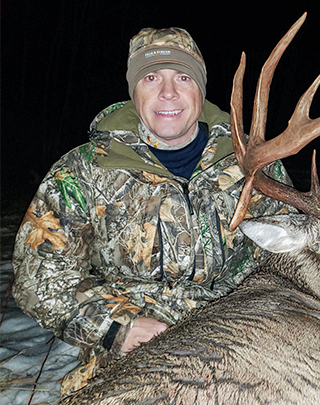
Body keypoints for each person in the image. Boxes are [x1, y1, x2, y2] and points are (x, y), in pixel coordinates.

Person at [11, 27, 291, 388]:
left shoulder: (253, 164)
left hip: (240, 331)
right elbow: (39, 278)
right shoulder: (84, 171)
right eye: (152, 77)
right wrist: (115, 326)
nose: (168, 92)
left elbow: (294, 243)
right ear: (134, 91)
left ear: (200, 89)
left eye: (184, 76)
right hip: (136, 346)